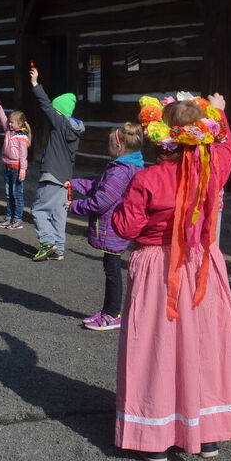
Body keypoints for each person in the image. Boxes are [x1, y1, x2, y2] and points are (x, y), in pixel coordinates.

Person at [111, 92, 231, 461]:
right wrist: (221, 115)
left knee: (156, 348)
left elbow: (125, 226)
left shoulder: (147, 179)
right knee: (202, 346)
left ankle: (155, 437)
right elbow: (226, 148)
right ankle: (206, 433)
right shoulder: (213, 171)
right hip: (202, 266)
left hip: (158, 269)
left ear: (160, 134)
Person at [68, 122, 145, 331]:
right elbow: (99, 186)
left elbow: (103, 199)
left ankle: (112, 314)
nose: (107, 147)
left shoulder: (121, 171)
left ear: (119, 146)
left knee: (112, 271)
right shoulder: (123, 167)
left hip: (112, 227)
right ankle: (108, 311)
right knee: (110, 269)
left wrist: (73, 205)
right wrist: (75, 184)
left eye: (110, 144)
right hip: (111, 226)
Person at [28, 67, 85, 261]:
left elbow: (45, 105)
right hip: (64, 177)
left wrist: (36, 84)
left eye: (55, 109)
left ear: (59, 111)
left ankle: (47, 242)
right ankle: (59, 249)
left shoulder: (60, 122)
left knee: (38, 209)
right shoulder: (75, 130)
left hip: (51, 174)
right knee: (58, 213)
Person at [0, 93, 31, 229]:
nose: (9, 123)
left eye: (12, 122)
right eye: (10, 122)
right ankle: (9, 217)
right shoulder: (8, 131)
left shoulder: (21, 137)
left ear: (19, 124)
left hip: (17, 168)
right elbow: (1, 117)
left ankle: (18, 220)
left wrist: (23, 170)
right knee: (8, 194)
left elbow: (23, 155)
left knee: (16, 194)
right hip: (8, 167)